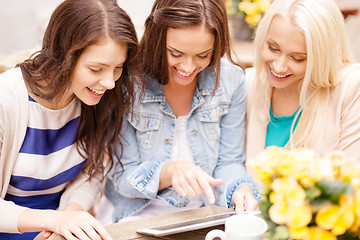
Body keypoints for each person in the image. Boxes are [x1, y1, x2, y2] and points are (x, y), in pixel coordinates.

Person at [96, 0, 261, 225]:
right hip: (134, 216)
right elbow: (124, 180)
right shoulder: (127, 83)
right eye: (175, 53)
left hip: (204, 215)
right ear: (157, 38)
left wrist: (240, 189)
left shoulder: (231, 81)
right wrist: (169, 171)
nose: (188, 67)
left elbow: (229, 161)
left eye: (203, 55)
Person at [0, 0, 139, 239]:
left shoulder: (98, 98)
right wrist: (55, 220)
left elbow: (92, 174)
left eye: (118, 67)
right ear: (62, 55)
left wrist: (71, 217)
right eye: (96, 69)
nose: (110, 83)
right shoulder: (7, 100)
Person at [246, 0, 360, 160]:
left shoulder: (351, 87)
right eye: (273, 48)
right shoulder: (250, 84)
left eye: (297, 58)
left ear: (322, 58)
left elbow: (351, 175)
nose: (279, 67)